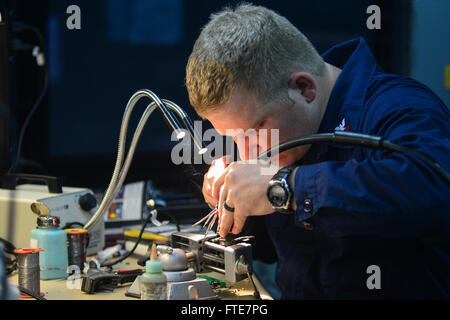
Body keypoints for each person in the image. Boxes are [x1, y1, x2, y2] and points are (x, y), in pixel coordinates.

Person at [185, 4, 449, 299]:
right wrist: (235, 204)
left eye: (256, 129)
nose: (249, 153)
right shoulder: (292, 133)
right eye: (233, 138)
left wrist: (283, 189)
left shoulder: (400, 107)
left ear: (304, 88)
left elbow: (431, 190)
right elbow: (275, 251)